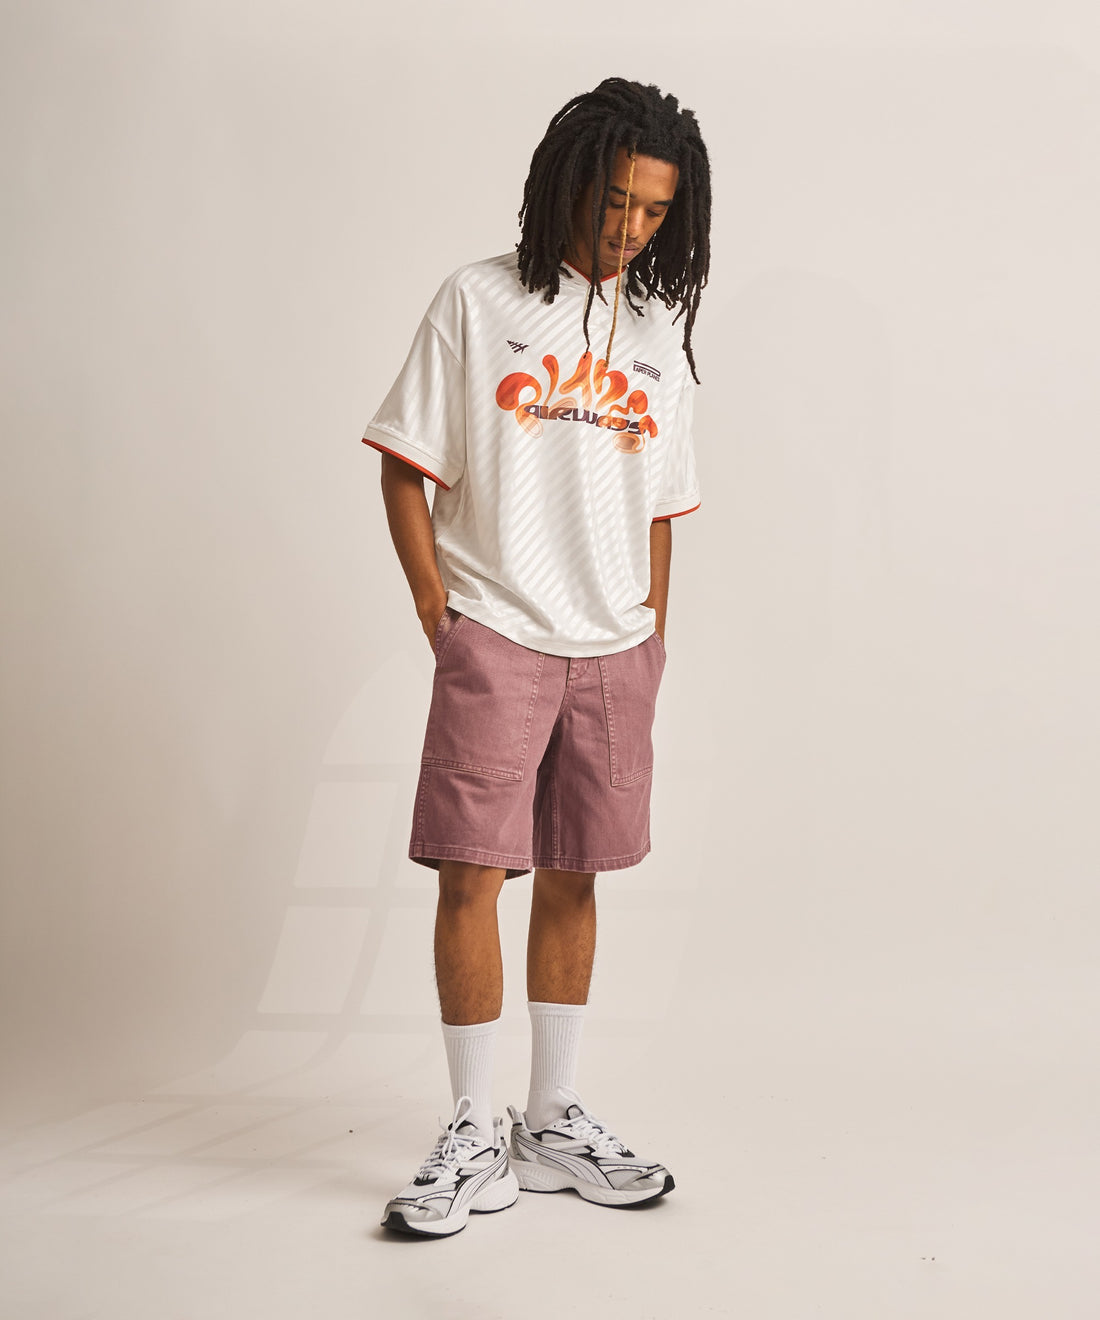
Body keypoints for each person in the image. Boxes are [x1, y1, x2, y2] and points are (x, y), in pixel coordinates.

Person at [362, 76, 711, 1238]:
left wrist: (650, 632)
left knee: (575, 875)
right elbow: (403, 461)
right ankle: (472, 1128)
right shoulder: (479, 299)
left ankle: (550, 1119)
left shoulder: (657, 335)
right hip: (498, 632)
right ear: (570, 181)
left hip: (614, 651)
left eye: (654, 211)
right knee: (470, 874)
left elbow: (660, 507)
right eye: (615, 201)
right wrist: (440, 613)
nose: (630, 228)